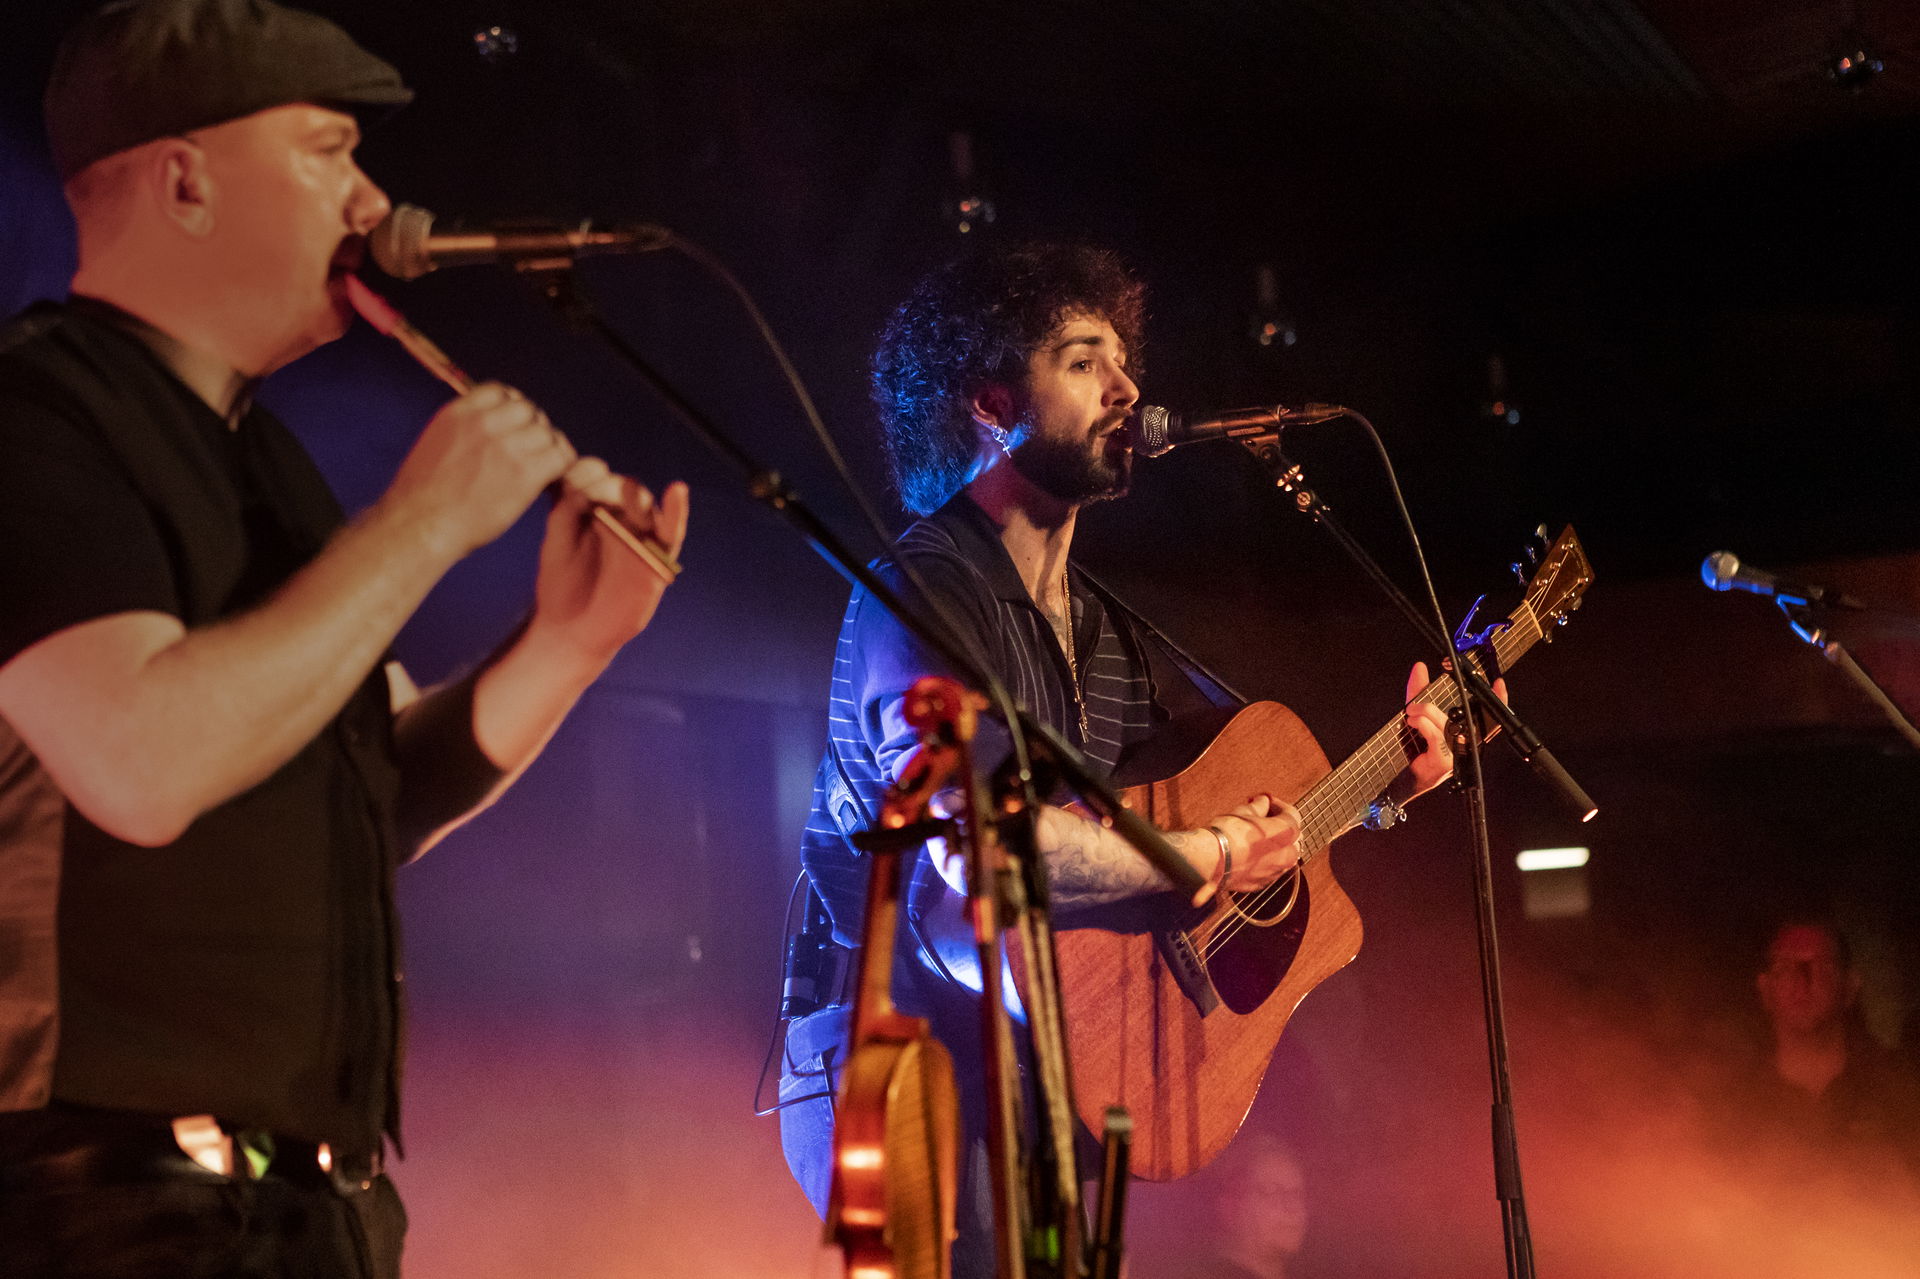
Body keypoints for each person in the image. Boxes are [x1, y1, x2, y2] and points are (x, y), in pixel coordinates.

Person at [0, 3, 688, 1276]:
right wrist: (421, 526)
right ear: (187, 179)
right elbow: (138, 762)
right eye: (328, 152)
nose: (373, 202)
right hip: (99, 1207)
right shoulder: (36, 417)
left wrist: (566, 644)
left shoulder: (265, 461)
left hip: (310, 1211)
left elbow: (361, 797)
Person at [775, 242, 1454, 1278]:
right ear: (995, 402)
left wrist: (1378, 796)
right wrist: (1213, 853)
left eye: (1125, 360)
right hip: (918, 1077)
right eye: (1085, 359)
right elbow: (991, 854)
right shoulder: (924, 591)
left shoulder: (1105, 630)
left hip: (1058, 1068)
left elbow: (1193, 813)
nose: (1129, 387)